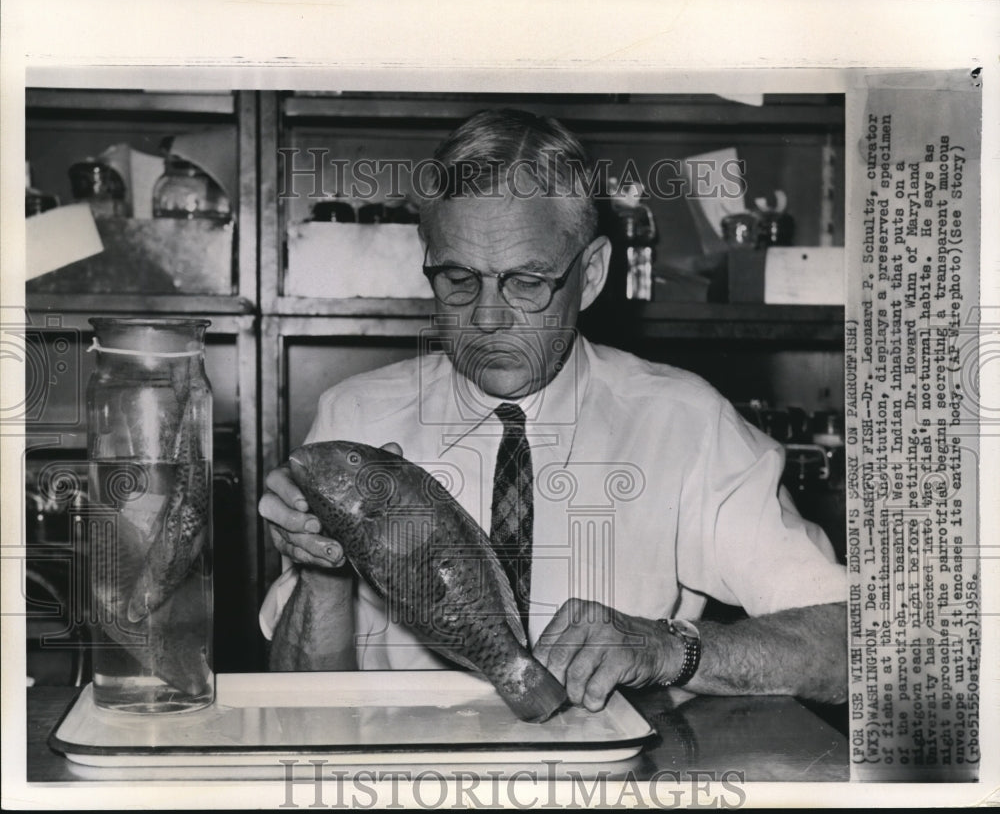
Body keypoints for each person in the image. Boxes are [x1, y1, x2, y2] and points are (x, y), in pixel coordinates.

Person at [258, 108, 847, 711]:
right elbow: (301, 707)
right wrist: (323, 574)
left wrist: (670, 649)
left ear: (590, 275)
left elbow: (851, 644)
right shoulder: (354, 420)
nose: (488, 318)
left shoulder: (687, 424)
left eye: (527, 282)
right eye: (458, 278)